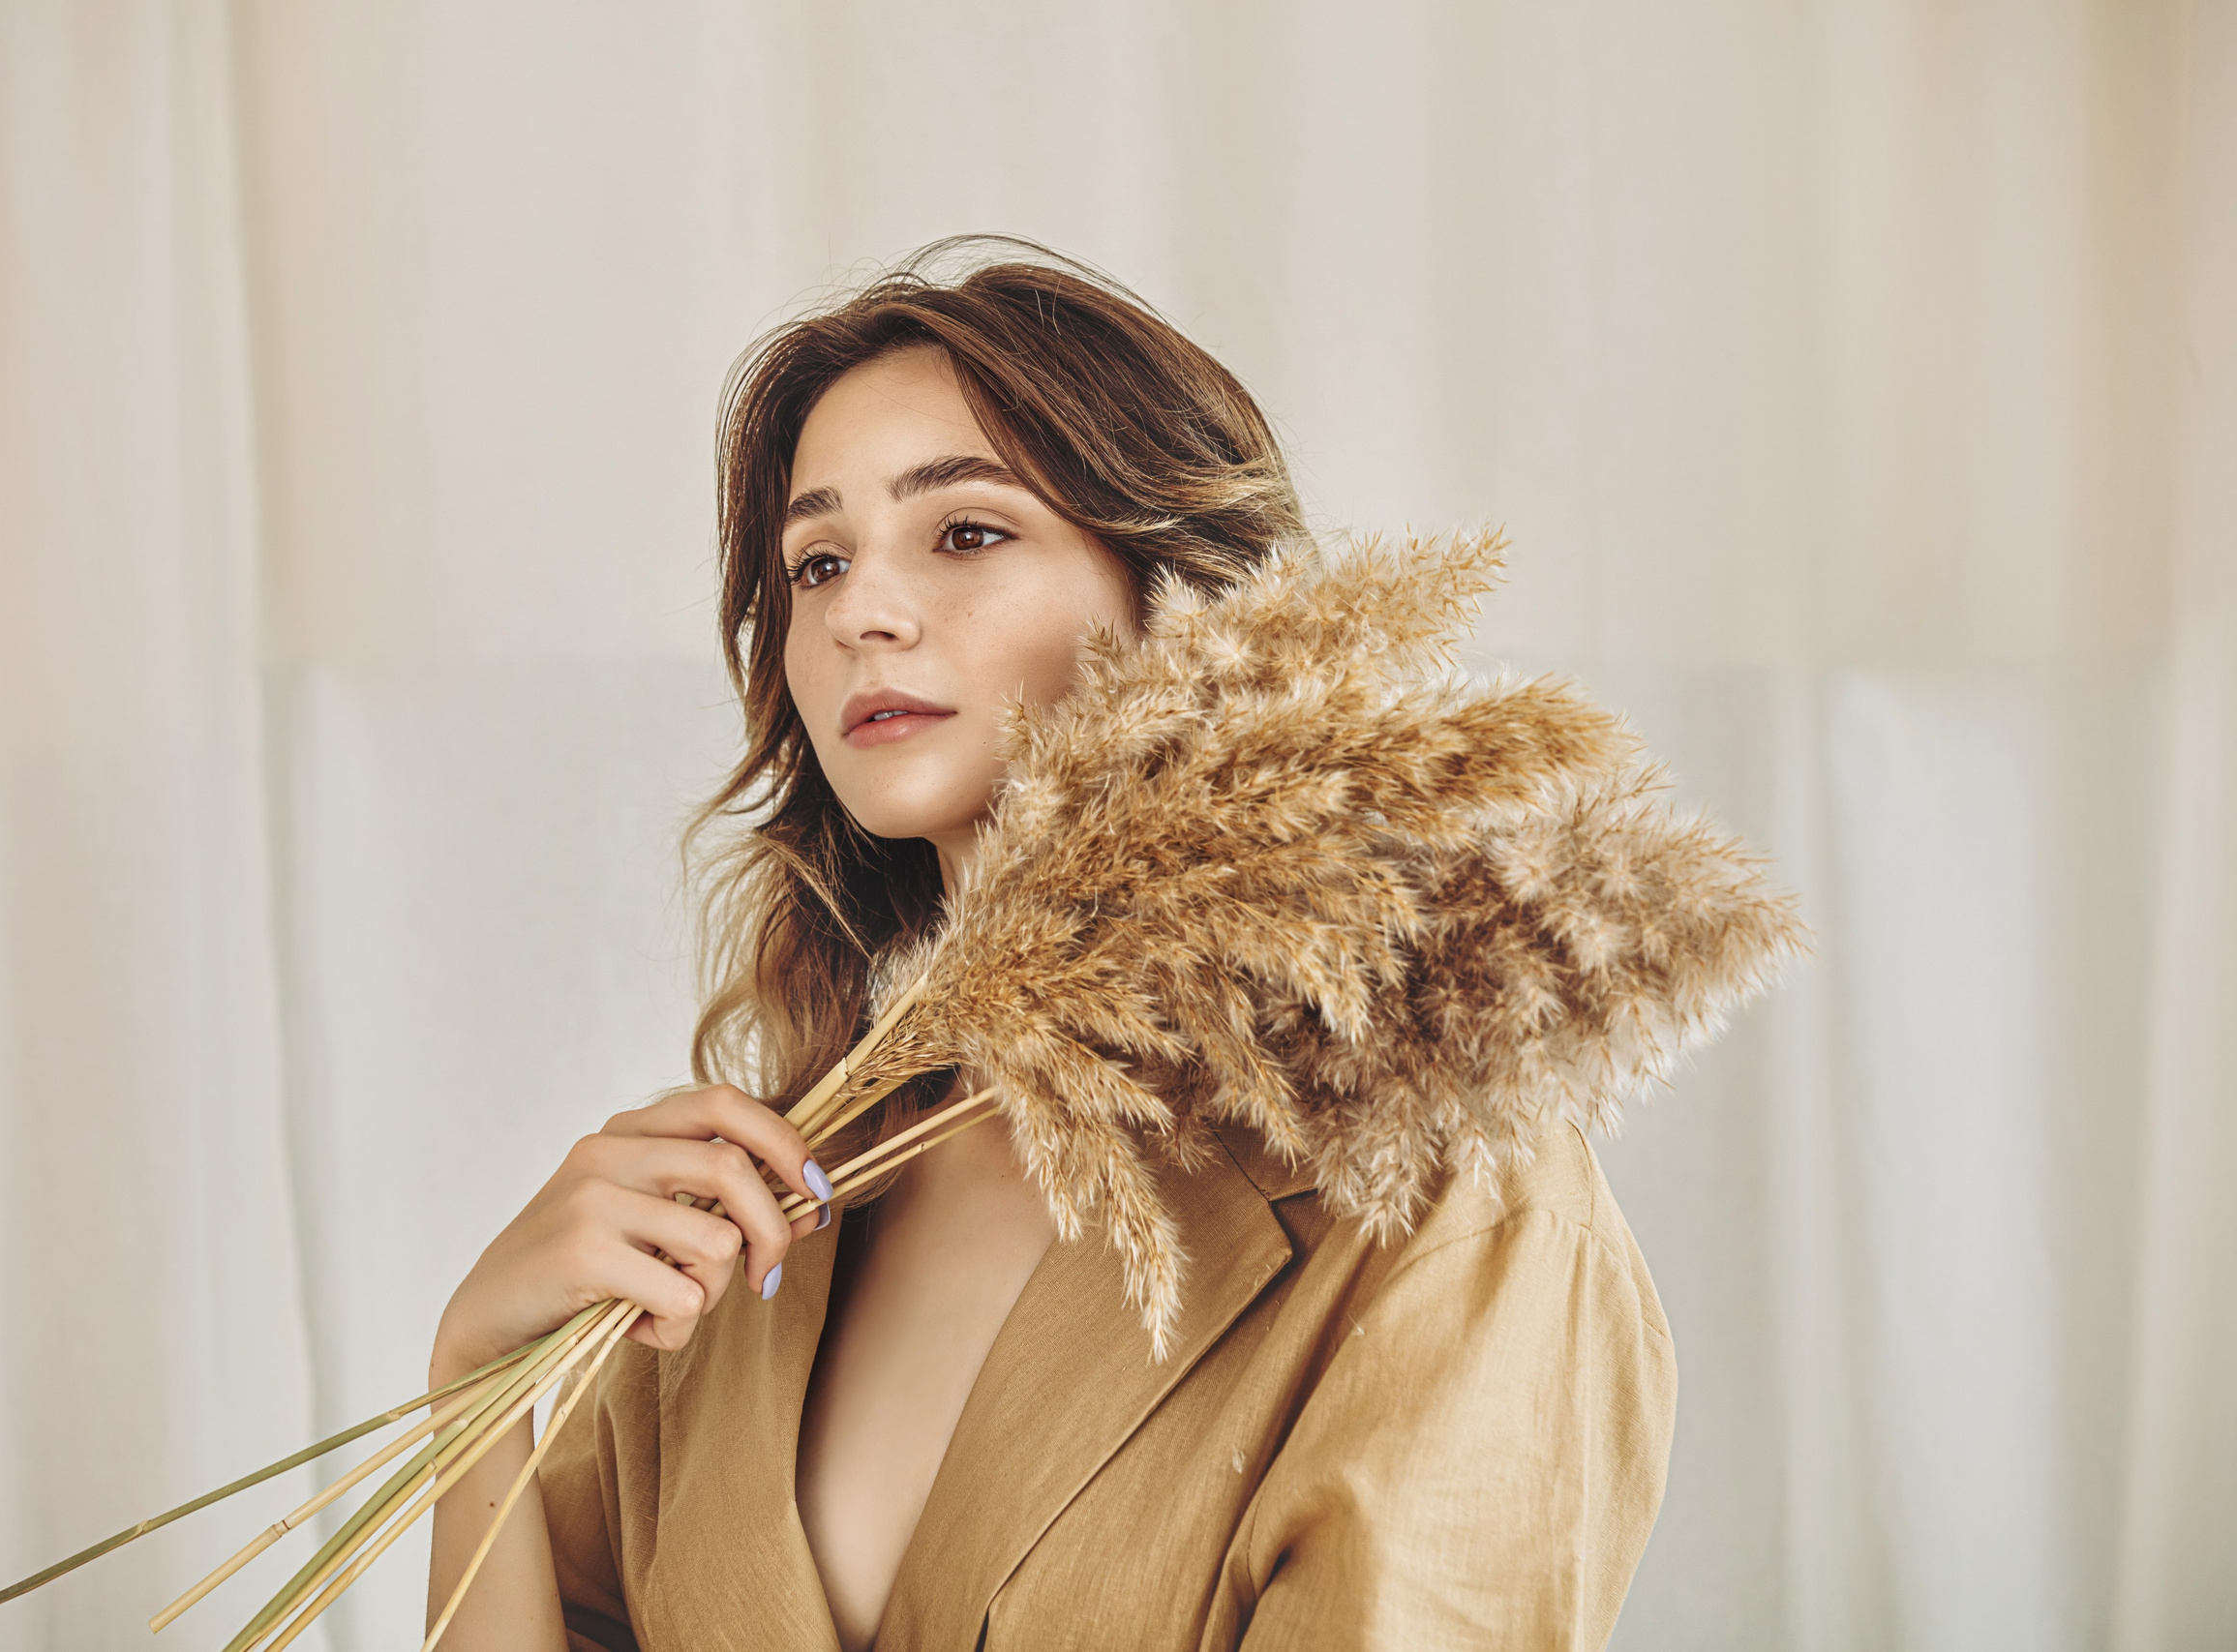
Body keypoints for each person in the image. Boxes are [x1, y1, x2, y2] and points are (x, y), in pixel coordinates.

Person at [422, 240, 1676, 1652]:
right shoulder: (747, 1210)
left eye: (964, 533)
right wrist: (474, 1385)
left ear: (1180, 597)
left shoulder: (1445, 1198)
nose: (859, 615)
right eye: (816, 562)